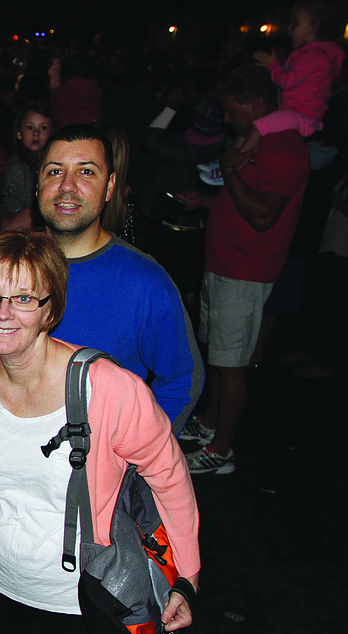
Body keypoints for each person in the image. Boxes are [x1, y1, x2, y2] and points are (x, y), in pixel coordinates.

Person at [0, 230, 200, 634]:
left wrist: (186, 579)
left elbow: (169, 478)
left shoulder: (110, 389)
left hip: (82, 598)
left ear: (50, 310)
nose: (3, 313)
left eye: (23, 299)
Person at [177, 66, 310, 474]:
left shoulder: (285, 148)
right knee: (218, 356)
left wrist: (231, 169)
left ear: (256, 105)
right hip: (225, 262)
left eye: (233, 111)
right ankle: (210, 423)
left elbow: (264, 214)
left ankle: (222, 452)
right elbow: (240, 200)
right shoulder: (259, 142)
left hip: (247, 269)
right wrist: (203, 201)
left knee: (231, 364)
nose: (227, 120)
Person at [38, 124, 203, 433]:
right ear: (37, 184)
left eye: (86, 172)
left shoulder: (144, 281)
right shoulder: (7, 266)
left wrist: (140, 454)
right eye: (55, 172)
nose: (67, 186)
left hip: (98, 470)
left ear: (110, 186)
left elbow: (182, 379)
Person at [245, 1, 344, 155]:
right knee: (257, 129)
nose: (289, 27)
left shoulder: (314, 55)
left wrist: (272, 65)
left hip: (301, 115)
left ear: (314, 27)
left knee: (258, 127)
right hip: (301, 114)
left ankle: (233, 167)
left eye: (295, 23)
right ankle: (233, 160)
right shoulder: (317, 54)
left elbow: (287, 81)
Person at [0, 102, 55, 232]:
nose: (36, 133)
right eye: (29, 127)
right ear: (19, 134)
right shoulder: (18, 166)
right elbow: (37, 201)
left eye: (43, 128)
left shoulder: (49, 162)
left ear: (52, 133)